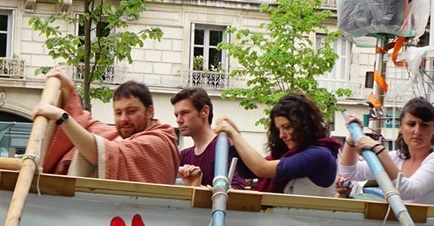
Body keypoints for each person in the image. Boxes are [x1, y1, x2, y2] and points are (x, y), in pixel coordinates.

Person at [31, 72, 179, 184]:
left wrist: (62, 117)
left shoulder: (159, 142)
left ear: (150, 111)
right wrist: (68, 91)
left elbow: (102, 153)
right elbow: (85, 124)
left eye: (131, 111)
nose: (124, 119)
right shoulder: (115, 136)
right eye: (118, 113)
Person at [336, 97, 434, 206]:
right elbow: (350, 173)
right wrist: (352, 139)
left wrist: (378, 150)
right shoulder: (396, 158)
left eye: (425, 125)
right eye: (411, 124)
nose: (417, 131)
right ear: (400, 127)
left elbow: (409, 191)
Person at [212, 92, 340, 196]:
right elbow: (247, 170)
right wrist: (234, 139)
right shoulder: (290, 155)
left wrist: (235, 135)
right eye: (279, 129)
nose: (281, 135)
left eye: (287, 127)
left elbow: (261, 168)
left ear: (305, 124)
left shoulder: (319, 155)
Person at [171, 87, 218, 186]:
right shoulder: (182, 156)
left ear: (204, 112)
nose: (178, 120)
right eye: (176, 115)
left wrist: (197, 187)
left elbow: (238, 194)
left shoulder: (225, 148)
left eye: (185, 113)